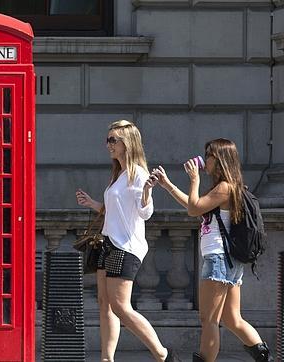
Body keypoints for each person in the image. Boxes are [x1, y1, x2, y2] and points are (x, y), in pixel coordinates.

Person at [149, 138, 272, 362]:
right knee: (233, 319)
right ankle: (265, 358)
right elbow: (194, 205)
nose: (205, 160)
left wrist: (194, 179)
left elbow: (194, 209)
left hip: (218, 260)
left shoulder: (225, 187)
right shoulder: (228, 187)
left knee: (209, 321)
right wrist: (168, 185)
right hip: (230, 261)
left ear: (221, 159)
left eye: (209, 155)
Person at [75, 120, 180, 362]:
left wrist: (146, 192)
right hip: (108, 244)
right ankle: (106, 358)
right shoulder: (118, 174)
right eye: (108, 139)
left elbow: (145, 213)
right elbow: (116, 211)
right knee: (105, 304)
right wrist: (93, 204)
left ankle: (163, 355)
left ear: (127, 143)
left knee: (121, 307)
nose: (108, 144)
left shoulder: (138, 174)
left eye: (113, 140)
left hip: (126, 247)